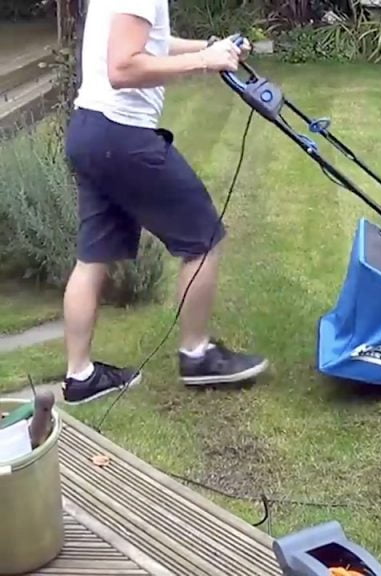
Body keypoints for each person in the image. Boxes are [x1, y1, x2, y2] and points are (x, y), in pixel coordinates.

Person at [61, 0, 269, 405]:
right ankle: (197, 354)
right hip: (122, 135)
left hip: (90, 129)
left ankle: (80, 377)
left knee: (94, 256)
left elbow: (152, 42)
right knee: (203, 236)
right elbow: (124, 68)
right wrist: (206, 62)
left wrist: (206, 46)